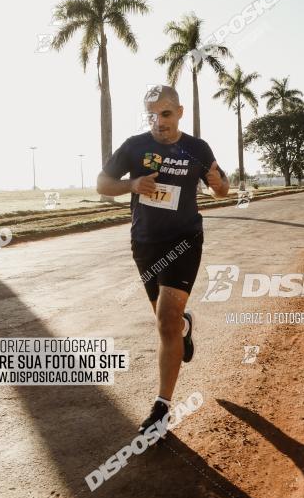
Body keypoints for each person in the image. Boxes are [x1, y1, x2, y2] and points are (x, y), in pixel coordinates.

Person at [97, 84, 229, 438]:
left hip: (185, 239)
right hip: (145, 243)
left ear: (180, 112)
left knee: (165, 323)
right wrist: (133, 184)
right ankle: (184, 328)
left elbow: (222, 186)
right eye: (152, 115)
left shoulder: (197, 148)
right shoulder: (134, 146)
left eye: (166, 114)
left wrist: (218, 183)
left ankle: (161, 408)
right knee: (166, 320)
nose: (159, 122)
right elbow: (102, 183)